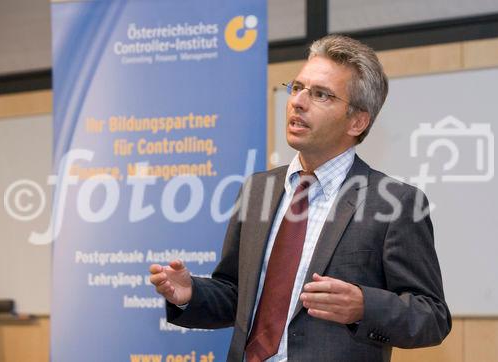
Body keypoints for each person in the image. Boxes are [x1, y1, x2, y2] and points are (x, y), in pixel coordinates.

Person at [149, 34, 451, 362]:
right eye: (297, 87)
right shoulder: (257, 190)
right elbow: (238, 294)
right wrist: (190, 295)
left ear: (357, 121)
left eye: (321, 94)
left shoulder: (394, 202)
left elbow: (431, 317)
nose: (298, 102)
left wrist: (363, 306)